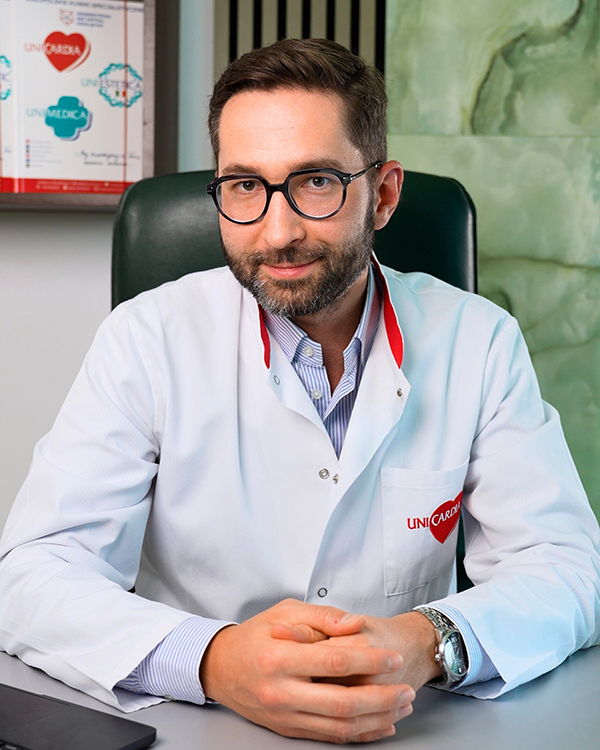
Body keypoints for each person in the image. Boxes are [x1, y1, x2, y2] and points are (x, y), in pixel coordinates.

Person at [1, 38, 599, 745]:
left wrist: (429, 641)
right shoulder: (146, 338)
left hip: (409, 725)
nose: (277, 232)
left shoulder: (479, 341)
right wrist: (214, 659)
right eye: (244, 186)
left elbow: (569, 569)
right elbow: (30, 577)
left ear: (382, 195)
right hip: (198, 725)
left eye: (315, 181)